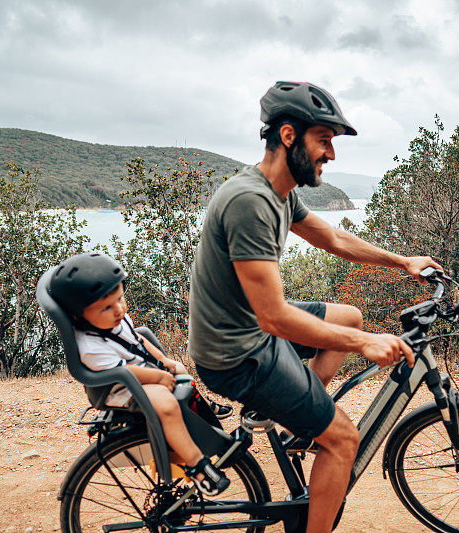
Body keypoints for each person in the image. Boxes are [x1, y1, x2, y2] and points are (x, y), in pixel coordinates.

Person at [188, 81, 442, 532]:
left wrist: (403, 262)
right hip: (237, 353)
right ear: (289, 136)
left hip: (247, 328)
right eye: (324, 140)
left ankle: (296, 423)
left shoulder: (278, 191)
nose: (331, 153)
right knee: (344, 441)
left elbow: (334, 238)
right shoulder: (251, 202)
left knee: (349, 315)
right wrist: (365, 344)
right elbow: (274, 317)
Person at [48, 252, 230, 496]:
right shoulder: (89, 348)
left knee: (179, 368)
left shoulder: (113, 321)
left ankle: (200, 407)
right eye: (107, 307)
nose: (119, 309)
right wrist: (157, 376)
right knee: (166, 404)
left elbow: (138, 340)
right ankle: (197, 465)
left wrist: (164, 361)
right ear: (77, 315)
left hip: (134, 376)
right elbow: (123, 373)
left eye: (121, 299)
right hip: (117, 389)